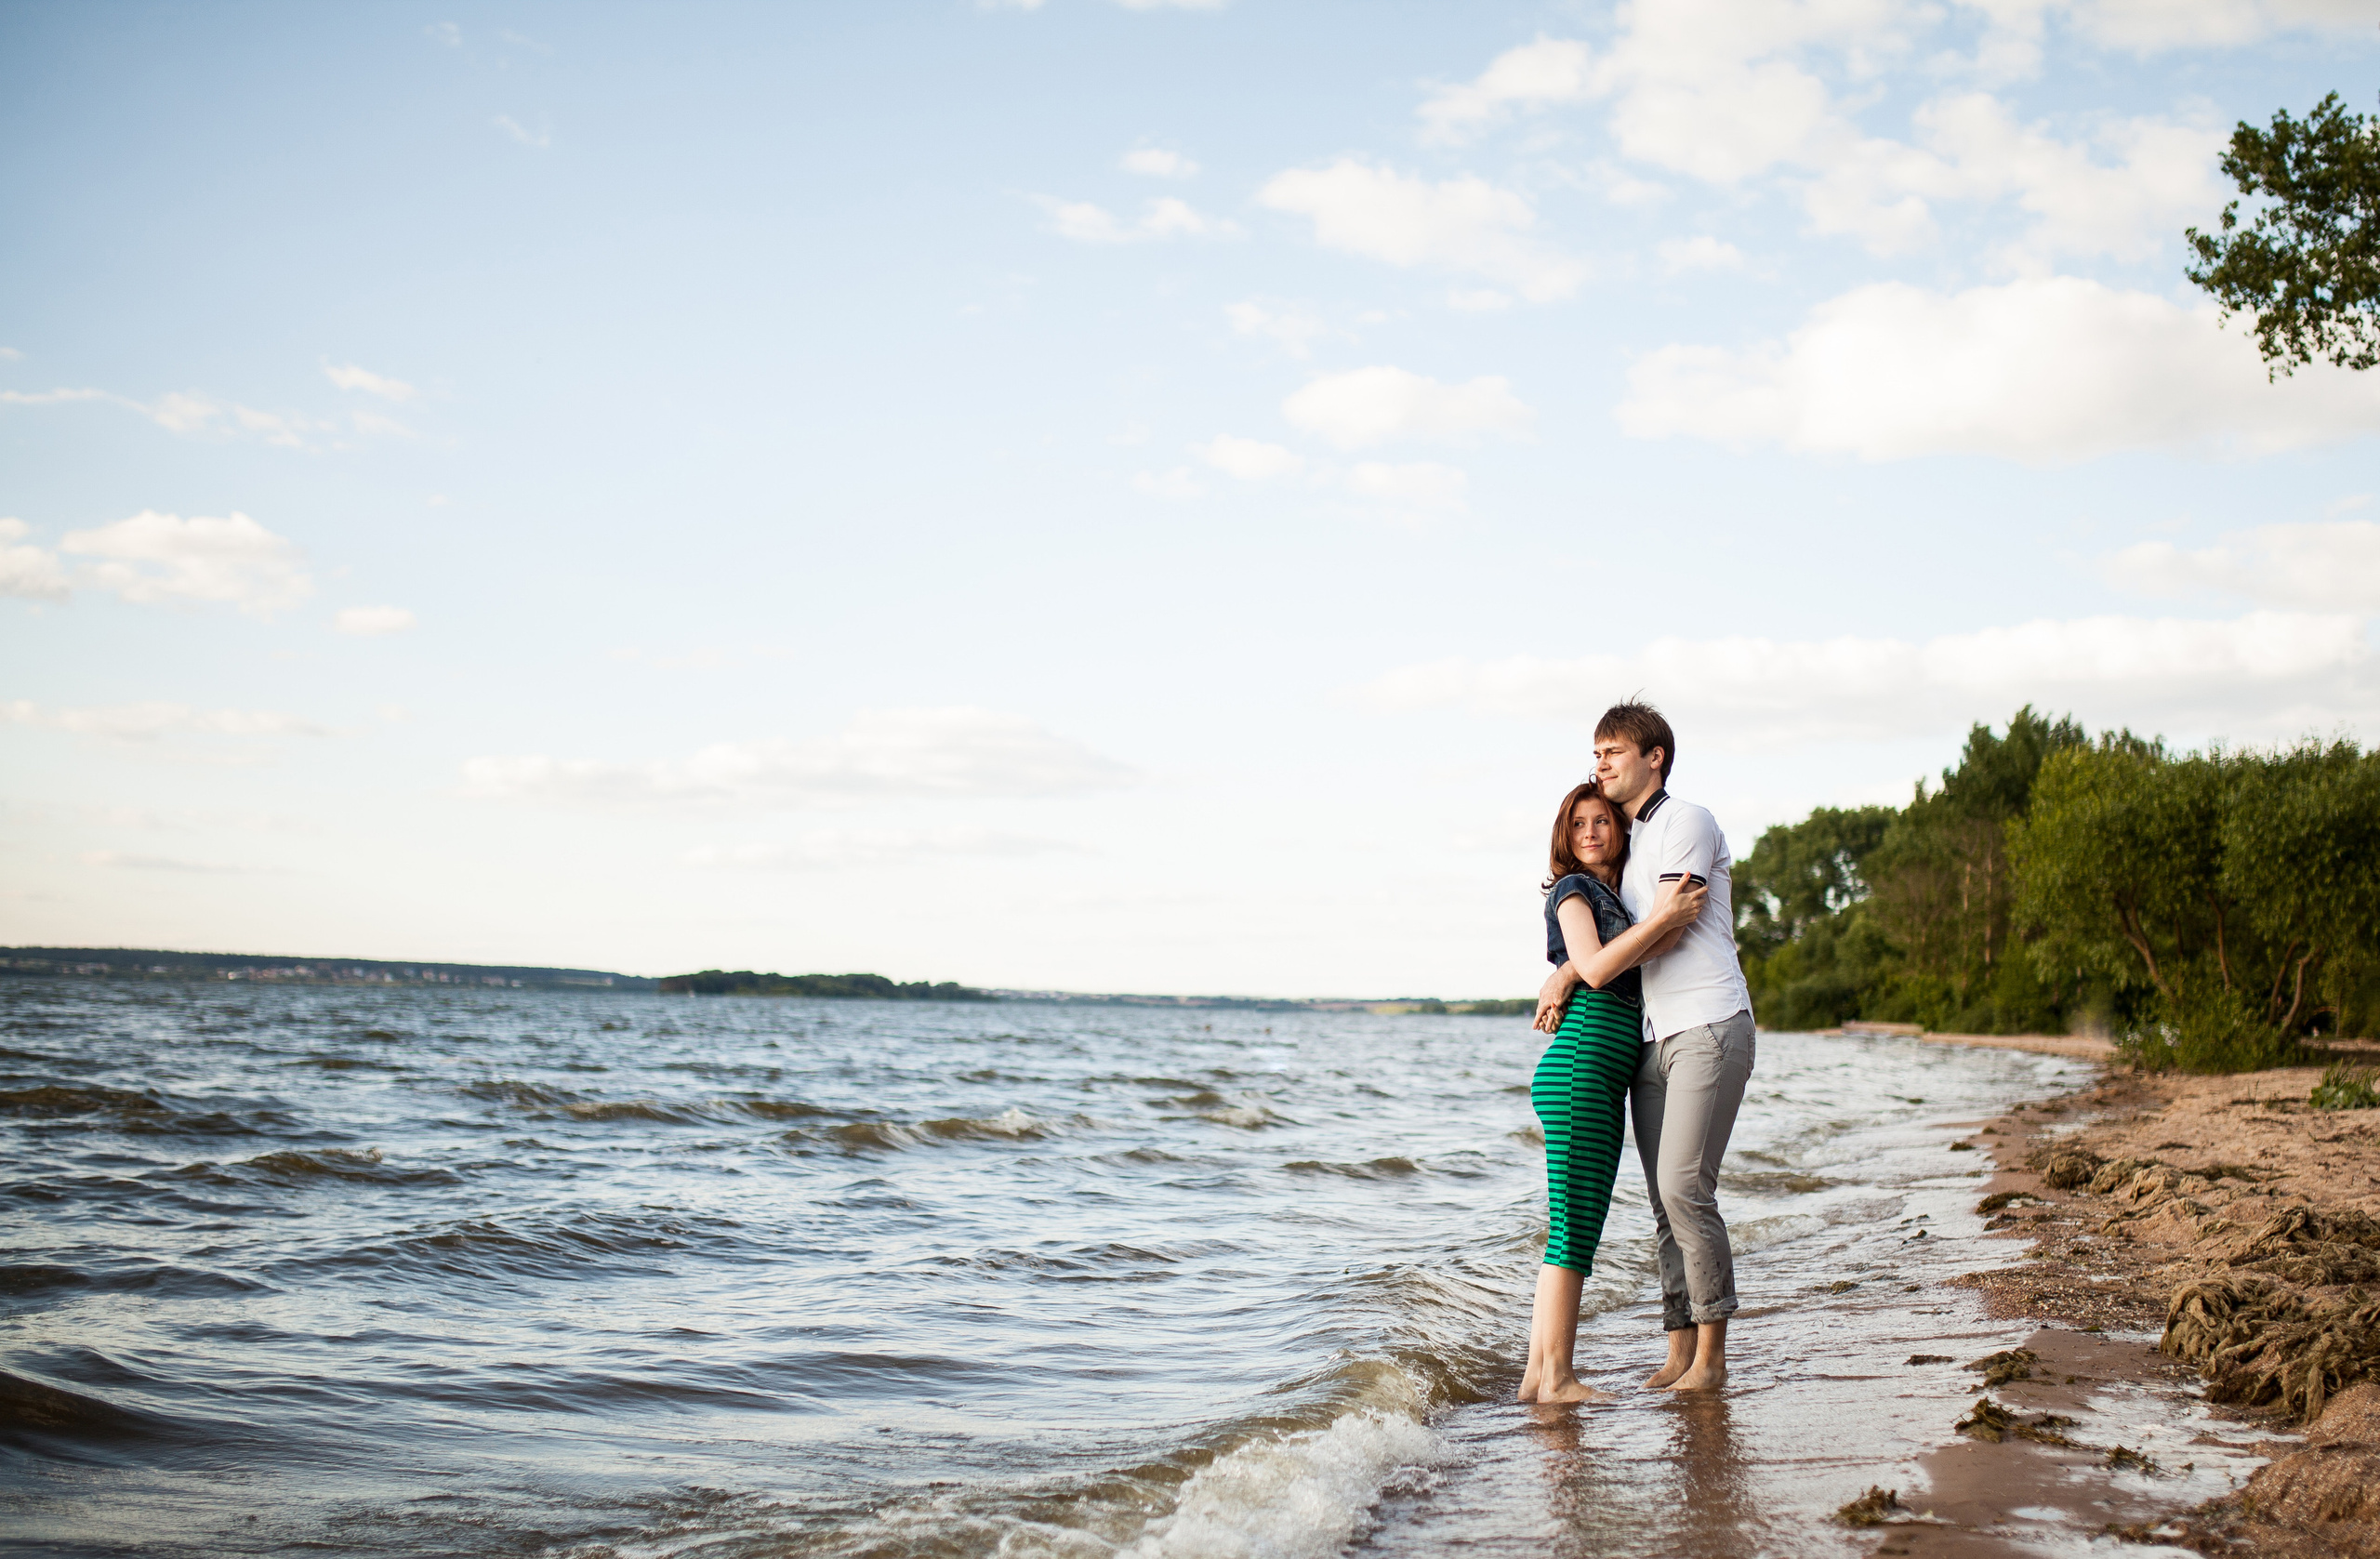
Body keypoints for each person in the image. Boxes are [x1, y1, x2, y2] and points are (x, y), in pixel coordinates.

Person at [1540, 701, 1755, 1394]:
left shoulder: (1686, 819)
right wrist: (1577, 963)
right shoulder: (1627, 855)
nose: (1598, 764)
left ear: (1653, 756)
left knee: (1685, 1186)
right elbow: (1621, 941)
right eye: (1595, 753)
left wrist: (1583, 965)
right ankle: (1677, 1350)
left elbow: (1666, 930)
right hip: (1652, 1036)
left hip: (1708, 1021)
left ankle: (1712, 1359)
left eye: (1611, 751)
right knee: (1664, 1204)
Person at [1517, 778, 1707, 1405]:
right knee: (1575, 1231)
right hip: (1582, 1068)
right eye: (1580, 825)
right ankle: (1560, 1378)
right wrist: (1660, 917)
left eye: (1602, 820)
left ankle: (1535, 1378)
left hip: (1598, 1070)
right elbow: (1598, 965)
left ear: (1619, 829)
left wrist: (1657, 924)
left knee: (1570, 1228)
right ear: (1565, 838)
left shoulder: (1613, 894)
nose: (1593, 832)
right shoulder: (1574, 891)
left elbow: (1613, 958)